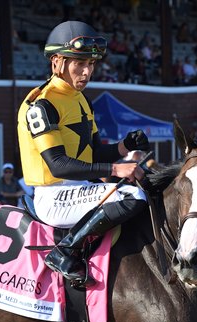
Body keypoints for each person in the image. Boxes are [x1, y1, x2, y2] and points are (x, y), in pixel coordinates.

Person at [17, 20, 149, 283]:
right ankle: (64, 251)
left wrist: (125, 147)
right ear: (56, 62)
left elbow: (93, 155)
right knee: (132, 196)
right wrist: (115, 168)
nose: (87, 71)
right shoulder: (40, 104)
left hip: (76, 190)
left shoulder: (81, 99)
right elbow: (58, 165)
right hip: (53, 196)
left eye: (91, 64)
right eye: (80, 63)